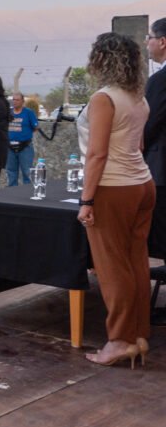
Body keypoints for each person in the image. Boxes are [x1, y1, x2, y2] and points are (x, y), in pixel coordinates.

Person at [76, 32, 155, 368]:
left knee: (111, 268)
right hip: (142, 184)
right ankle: (137, 336)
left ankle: (119, 341)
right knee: (136, 263)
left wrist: (87, 200)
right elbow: (136, 146)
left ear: (101, 60)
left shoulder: (103, 98)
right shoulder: (138, 97)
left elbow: (97, 154)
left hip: (113, 188)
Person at [145, 18, 166, 263]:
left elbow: (147, 125)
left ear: (162, 41)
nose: (146, 42)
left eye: (149, 37)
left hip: (160, 170)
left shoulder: (159, 81)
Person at [6, 92, 39, 186]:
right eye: (14, 100)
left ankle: (28, 193)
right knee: (11, 172)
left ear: (22, 101)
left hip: (25, 147)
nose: (15, 102)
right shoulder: (8, 112)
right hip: (10, 147)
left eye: (17, 100)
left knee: (27, 172)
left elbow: (35, 127)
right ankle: (12, 194)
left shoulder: (28, 113)